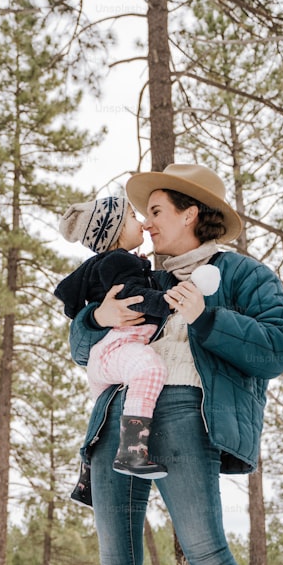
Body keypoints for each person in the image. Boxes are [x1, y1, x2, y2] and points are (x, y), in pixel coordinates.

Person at [68, 164, 283, 565]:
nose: (145, 223)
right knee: (116, 558)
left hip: (183, 408)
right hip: (116, 412)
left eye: (155, 211)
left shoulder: (241, 272)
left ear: (191, 212)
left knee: (203, 547)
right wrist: (97, 317)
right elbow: (85, 345)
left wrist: (207, 316)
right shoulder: (135, 272)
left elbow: (279, 346)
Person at [55, 197, 223, 502]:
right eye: (133, 217)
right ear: (116, 230)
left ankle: (89, 473)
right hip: (117, 347)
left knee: (111, 409)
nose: (143, 223)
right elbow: (133, 296)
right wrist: (166, 302)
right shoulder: (119, 262)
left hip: (110, 355)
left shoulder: (119, 263)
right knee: (150, 369)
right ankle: (132, 452)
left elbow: (71, 290)